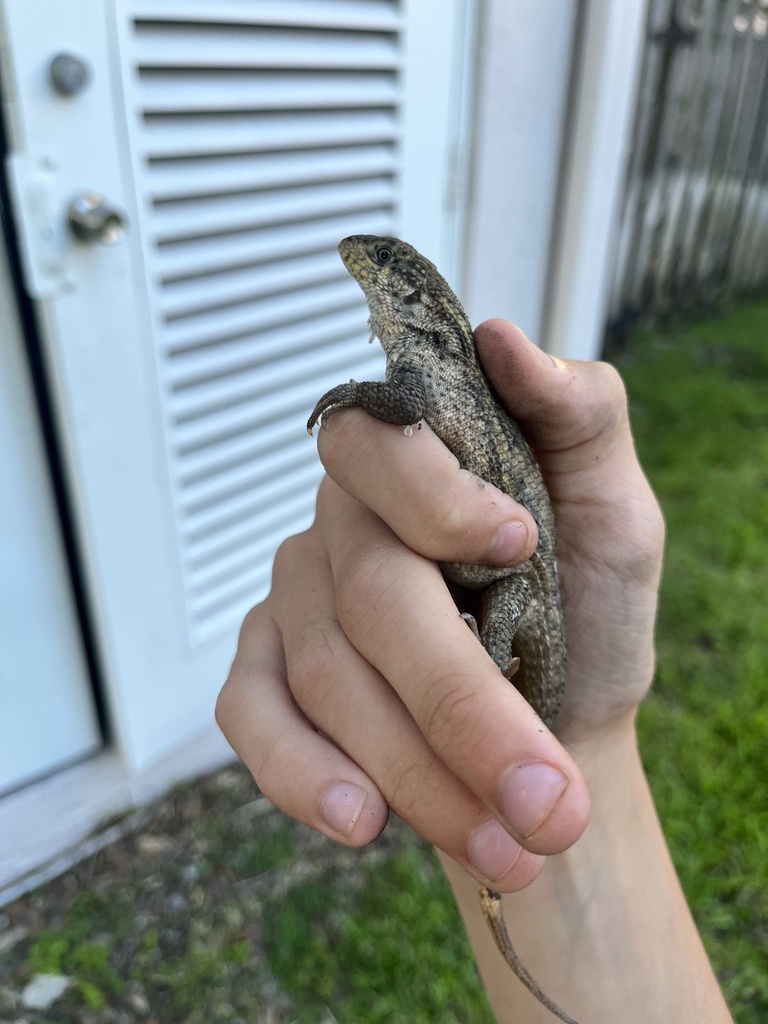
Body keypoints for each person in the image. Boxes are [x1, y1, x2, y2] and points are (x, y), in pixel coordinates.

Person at [216, 319, 733, 1023]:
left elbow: (403, 405)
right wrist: (515, 756)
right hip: (521, 619)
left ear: (408, 297)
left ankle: (487, 706)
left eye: (384, 270)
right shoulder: (427, 360)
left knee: (494, 615)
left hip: (525, 602)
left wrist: (346, 396)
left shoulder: (426, 361)